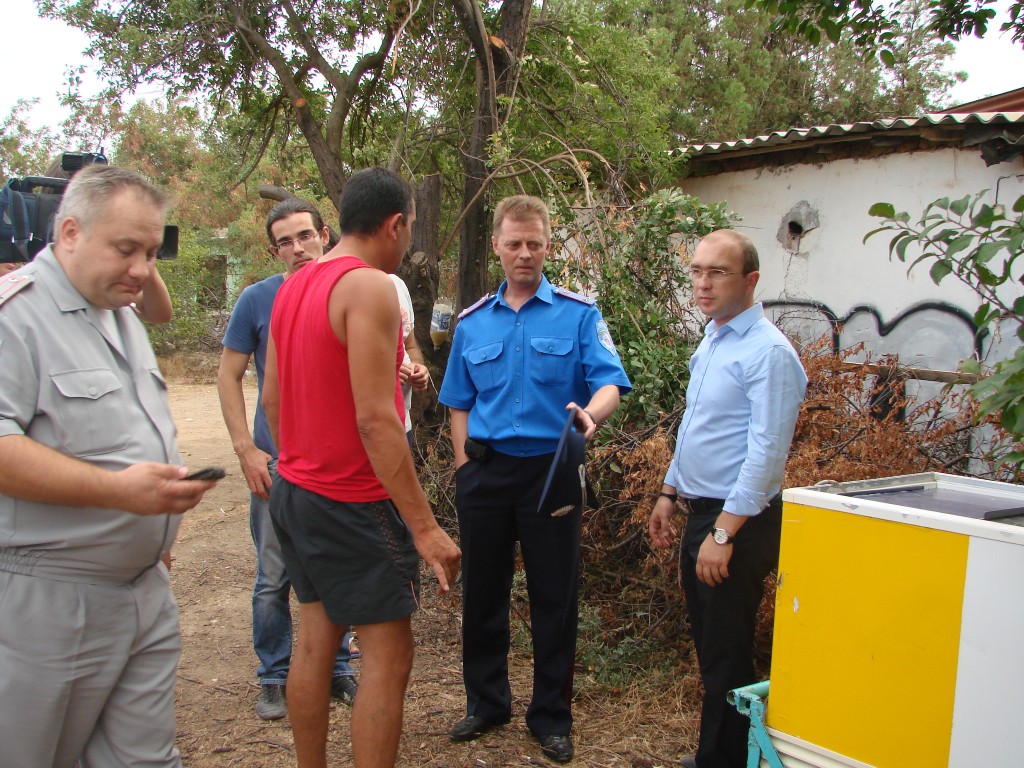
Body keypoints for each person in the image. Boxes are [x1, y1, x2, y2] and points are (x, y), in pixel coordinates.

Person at [0, 165, 220, 768]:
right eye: (127, 249)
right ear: (69, 232)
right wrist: (118, 493)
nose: (143, 270)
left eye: (151, 251)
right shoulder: (14, 317)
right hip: (47, 602)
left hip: (142, 591)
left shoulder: (118, 311)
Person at [262, 166, 460, 768]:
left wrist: (300, 457)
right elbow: (378, 421)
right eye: (410, 229)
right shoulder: (368, 287)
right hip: (351, 502)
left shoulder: (292, 286)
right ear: (395, 224)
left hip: (293, 488)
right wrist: (425, 529)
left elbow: (271, 397)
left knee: (316, 638)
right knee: (389, 656)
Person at [439, 194, 632, 763]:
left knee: (554, 598)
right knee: (483, 594)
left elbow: (610, 384)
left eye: (535, 243)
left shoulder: (579, 314)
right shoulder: (474, 323)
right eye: (514, 243)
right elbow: (457, 402)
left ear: (549, 246)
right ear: (497, 245)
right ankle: (487, 703)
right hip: (487, 474)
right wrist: (464, 469)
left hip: (553, 473)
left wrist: (590, 417)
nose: (525, 254)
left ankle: (550, 717)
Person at [647, 229, 807, 768]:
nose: (703, 283)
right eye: (696, 271)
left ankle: (725, 762)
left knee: (727, 652)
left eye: (717, 272)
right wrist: (669, 491)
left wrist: (723, 532)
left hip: (739, 521)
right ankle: (717, 755)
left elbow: (765, 456)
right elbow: (697, 427)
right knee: (713, 649)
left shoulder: (769, 353)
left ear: (751, 281)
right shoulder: (714, 339)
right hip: (704, 510)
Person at [217, 197, 358, 721]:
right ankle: (274, 674)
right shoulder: (258, 299)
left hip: (334, 464)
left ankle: (338, 668)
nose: (297, 248)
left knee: (335, 568)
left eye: (305, 236)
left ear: (324, 234)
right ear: (272, 248)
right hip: (275, 464)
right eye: (285, 241)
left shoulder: (349, 290)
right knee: (273, 574)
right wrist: (246, 449)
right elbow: (228, 376)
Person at [389, 273, 430, 446]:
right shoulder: (345, 287)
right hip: (367, 427)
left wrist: (418, 367)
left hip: (402, 423)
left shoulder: (396, 283)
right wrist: (383, 375)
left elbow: (410, 345)